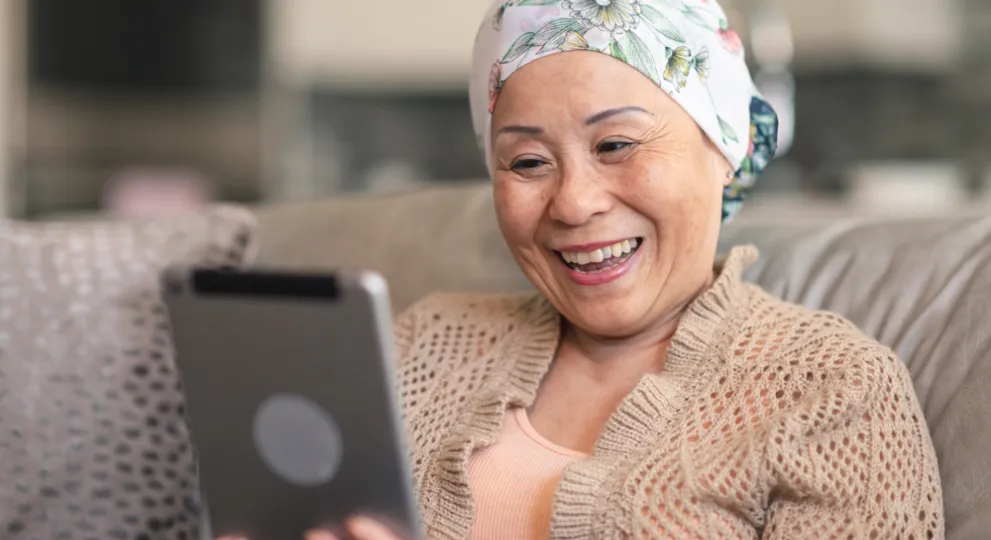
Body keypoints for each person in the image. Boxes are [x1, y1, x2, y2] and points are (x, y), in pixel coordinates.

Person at [227, 0, 944, 538]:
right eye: (527, 162)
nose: (572, 203)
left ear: (722, 149)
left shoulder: (831, 389)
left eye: (615, 145)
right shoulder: (422, 342)